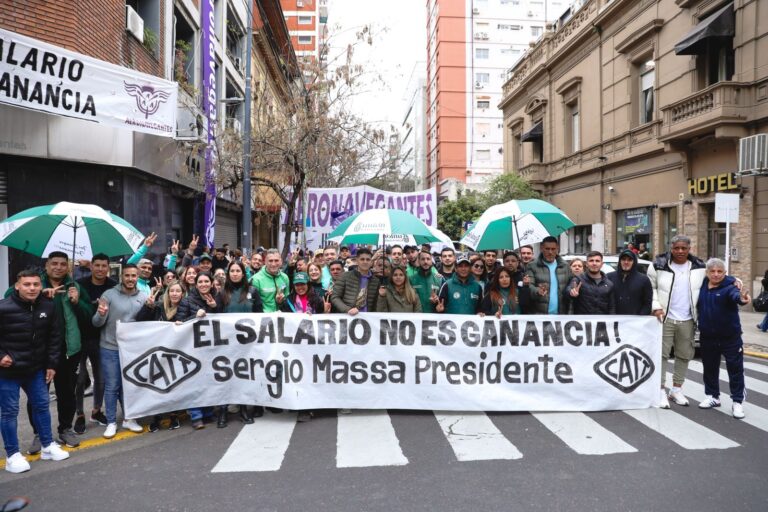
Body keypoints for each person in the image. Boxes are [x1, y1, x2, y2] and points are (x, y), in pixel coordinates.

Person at [7, 251, 94, 453]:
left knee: (67, 394)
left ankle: (65, 429)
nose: (58, 267)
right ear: (46, 266)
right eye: (54, 263)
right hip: (39, 351)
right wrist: (39, 295)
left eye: (63, 264)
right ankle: (40, 434)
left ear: (68, 267)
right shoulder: (35, 283)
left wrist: (77, 301)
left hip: (69, 350)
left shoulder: (75, 286)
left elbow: (88, 315)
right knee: (38, 397)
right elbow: (10, 295)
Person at [0, 270, 70, 473]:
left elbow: (55, 338)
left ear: (41, 286)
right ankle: (13, 455)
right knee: (10, 412)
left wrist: (51, 364)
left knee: (42, 406)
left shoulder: (48, 306)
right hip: (8, 372)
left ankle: (47, 446)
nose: (32, 288)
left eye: (36, 284)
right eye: (27, 284)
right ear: (17, 286)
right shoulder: (3, 308)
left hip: (36, 369)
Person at [647, 235, 708, 409]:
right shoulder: (658, 265)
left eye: (684, 248)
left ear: (689, 249)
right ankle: (660, 391)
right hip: (664, 317)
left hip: (688, 319)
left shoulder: (699, 266)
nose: (680, 251)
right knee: (662, 355)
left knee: (684, 355)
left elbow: (716, 278)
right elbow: (650, 287)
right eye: (677, 248)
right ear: (671, 248)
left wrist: (736, 282)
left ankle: (676, 389)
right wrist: (656, 307)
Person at [91, 264, 147, 438]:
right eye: (127, 275)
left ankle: (129, 418)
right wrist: (100, 313)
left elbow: (146, 323)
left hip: (132, 350)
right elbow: (96, 323)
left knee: (130, 386)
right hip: (110, 347)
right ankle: (111, 422)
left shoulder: (144, 297)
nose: (130, 279)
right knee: (112, 386)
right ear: (121, 276)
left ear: (138, 277)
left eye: (133, 276)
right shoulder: (109, 295)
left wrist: (152, 308)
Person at [696, 258, 751, 419]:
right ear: (707, 272)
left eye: (720, 271)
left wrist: (742, 299)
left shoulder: (730, 287)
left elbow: (736, 297)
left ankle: (737, 402)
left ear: (725, 273)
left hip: (730, 337)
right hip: (708, 337)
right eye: (712, 271)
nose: (716, 274)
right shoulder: (702, 286)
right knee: (710, 368)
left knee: (735, 370)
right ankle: (713, 396)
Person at [217, 261, 264, 427]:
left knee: (244, 374)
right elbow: (215, 317)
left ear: (243, 273)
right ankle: (223, 411)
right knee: (226, 376)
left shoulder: (252, 291)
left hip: (248, 344)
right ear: (228, 274)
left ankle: (244, 409)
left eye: (238, 271)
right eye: (232, 271)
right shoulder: (222, 292)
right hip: (227, 343)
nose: (235, 273)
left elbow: (259, 314)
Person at [74, 253, 117, 434]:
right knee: (80, 378)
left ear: (108, 267)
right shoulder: (79, 284)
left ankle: (96, 410)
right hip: (80, 337)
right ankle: (79, 414)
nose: (100, 269)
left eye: (103, 266)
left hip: (102, 338)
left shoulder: (114, 286)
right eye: (97, 265)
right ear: (91, 266)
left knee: (102, 378)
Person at [176, 272, 223, 429]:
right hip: (193, 348)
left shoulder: (218, 298)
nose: (203, 284)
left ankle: (208, 413)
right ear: (196, 285)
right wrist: (195, 317)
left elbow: (226, 320)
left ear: (211, 283)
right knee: (194, 381)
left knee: (210, 379)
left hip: (213, 347)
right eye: (200, 282)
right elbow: (179, 323)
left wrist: (215, 308)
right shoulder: (187, 301)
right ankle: (196, 415)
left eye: (206, 281)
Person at [136, 282, 185, 431]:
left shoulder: (185, 308)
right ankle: (157, 416)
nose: (175, 294)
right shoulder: (157, 306)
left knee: (175, 385)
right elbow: (140, 320)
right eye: (172, 291)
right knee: (157, 385)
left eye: (178, 291)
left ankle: (174, 415)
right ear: (167, 293)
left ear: (182, 294)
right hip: (157, 352)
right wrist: (147, 306)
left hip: (177, 353)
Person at [526, 236, 572, 315]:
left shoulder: (565, 266)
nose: (550, 252)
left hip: (561, 315)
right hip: (540, 315)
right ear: (541, 248)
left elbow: (570, 285)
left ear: (557, 248)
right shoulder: (532, 266)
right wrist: (537, 291)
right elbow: (529, 286)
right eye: (547, 249)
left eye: (553, 249)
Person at [331, 247, 380, 315]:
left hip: (368, 320)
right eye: (362, 259)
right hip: (348, 317)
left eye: (368, 259)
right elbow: (335, 297)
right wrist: (347, 309)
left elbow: (375, 304)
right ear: (357, 261)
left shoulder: (376, 281)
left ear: (371, 262)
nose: (365, 262)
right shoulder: (345, 276)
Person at [607, 249, 652, 315]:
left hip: (635, 322)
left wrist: (640, 319)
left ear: (634, 262)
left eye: (629, 260)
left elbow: (647, 303)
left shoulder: (644, 280)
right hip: (613, 321)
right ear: (620, 261)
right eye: (623, 259)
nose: (626, 262)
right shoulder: (609, 277)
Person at [250, 249, 290, 313]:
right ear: (265, 262)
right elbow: (253, 306)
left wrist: (280, 302)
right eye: (270, 261)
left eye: (276, 260)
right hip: (263, 319)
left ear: (281, 262)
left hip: (281, 317)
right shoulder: (256, 279)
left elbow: (288, 301)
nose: (273, 264)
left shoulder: (285, 278)